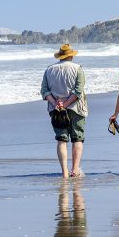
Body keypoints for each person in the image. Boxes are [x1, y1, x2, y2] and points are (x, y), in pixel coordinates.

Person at [41, 44, 88, 179]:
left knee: (61, 140)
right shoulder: (78, 68)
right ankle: (74, 169)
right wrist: (67, 103)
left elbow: (44, 91)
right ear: (71, 55)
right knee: (77, 138)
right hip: (76, 108)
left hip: (56, 109)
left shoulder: (49, 70)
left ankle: (65, 172)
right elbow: (78, 91)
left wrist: (55, 103)